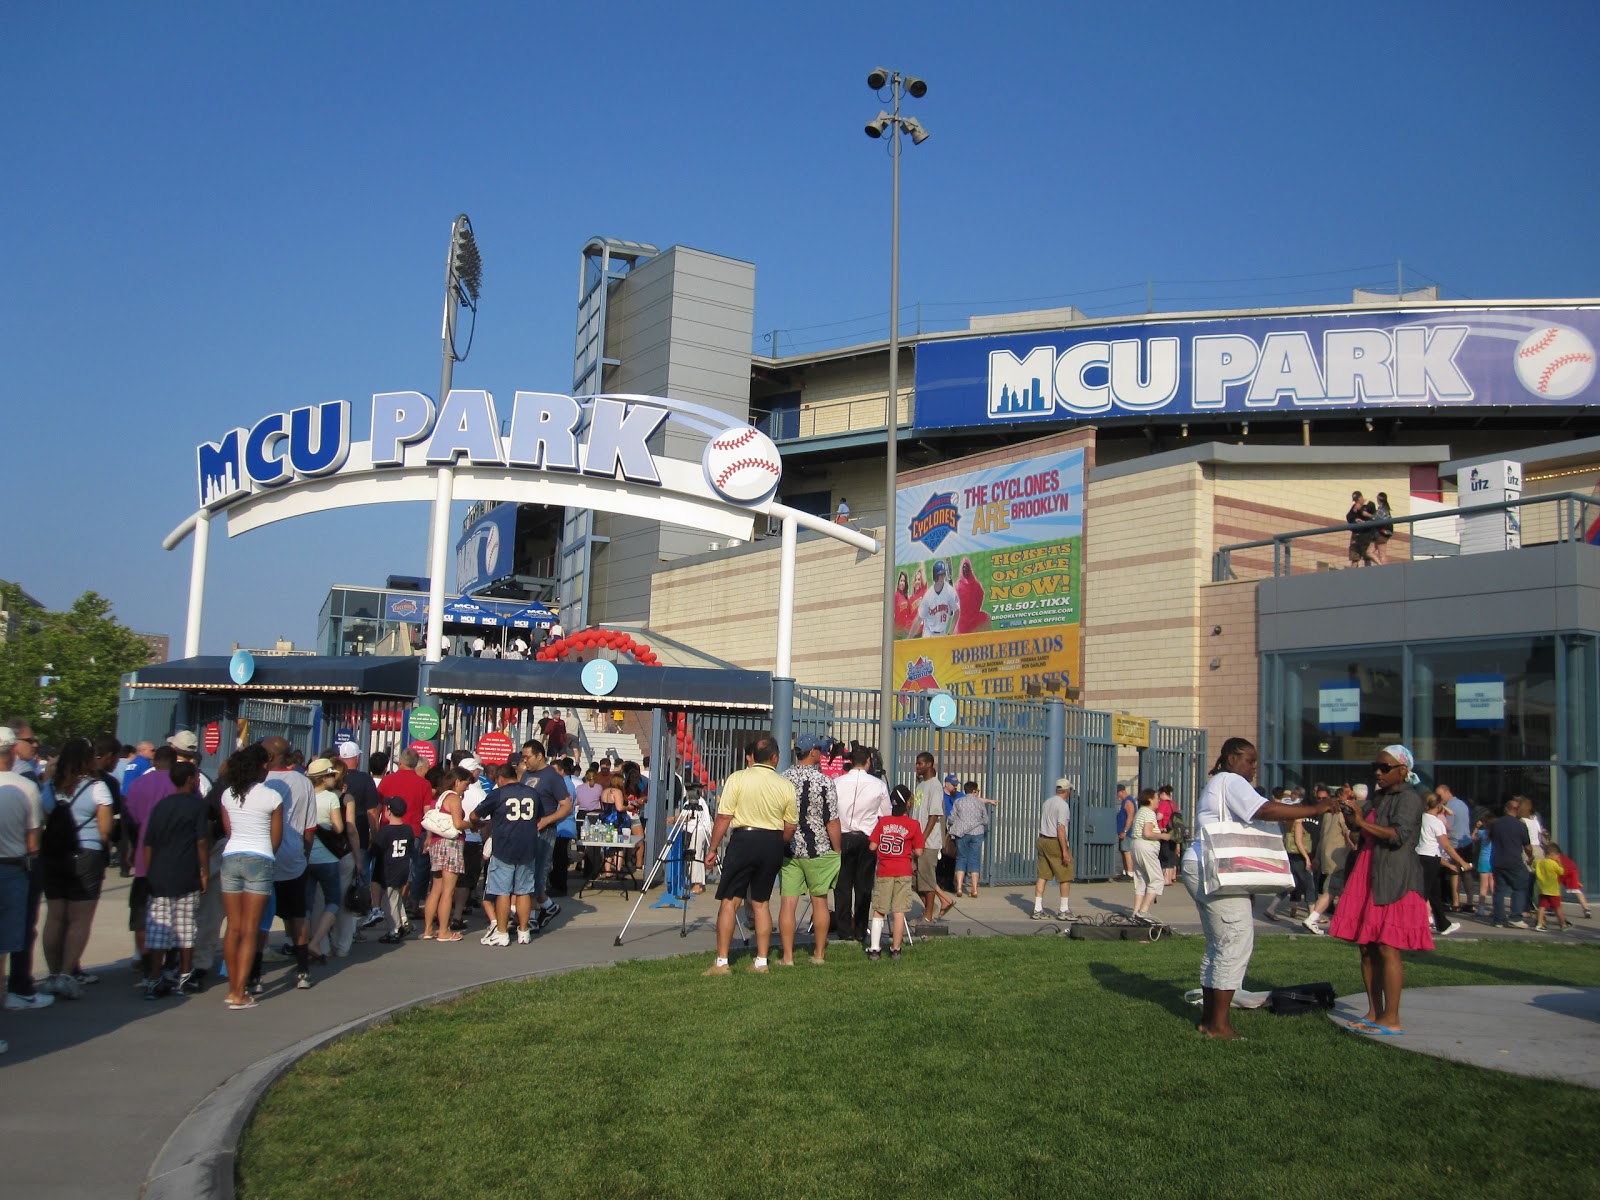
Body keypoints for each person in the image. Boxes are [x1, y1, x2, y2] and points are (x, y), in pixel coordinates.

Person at [1181, 737, 1335, 1039]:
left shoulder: (1218, 783)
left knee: (1219, 945)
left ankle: (1209, 1019)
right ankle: (1219, 1026)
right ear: (1229, 759)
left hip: (1201, 864)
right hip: (1213, 868)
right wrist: (1315, 809)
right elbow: (1263, 810)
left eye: (1255, 762)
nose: (1254, 768)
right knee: (1235, 942)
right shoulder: (1231, 780)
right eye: (1249, 761)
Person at [1328, 746, 1434, 1037]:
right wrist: (1353, 815)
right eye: (1376, 766)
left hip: (1395, 877)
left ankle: (1392, 1017)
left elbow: (1399, 835)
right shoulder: (1380, 797)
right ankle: (1374, 1011)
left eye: (1385, 767)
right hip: (1368, 872)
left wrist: (1362, 823)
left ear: (1403, 769)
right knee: (1367, 947)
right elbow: (1359, 830)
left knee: (1387, 946)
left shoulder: (1410, 798)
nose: (1378, 771)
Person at [702, 736, 798, 975]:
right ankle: (761, 961)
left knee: (730, 900)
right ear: (775, 758)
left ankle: (722, 962)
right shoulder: (785, 785)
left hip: (744, 838)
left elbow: (724, 817)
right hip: (772, 840)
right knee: (761, 902)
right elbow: (790, 825)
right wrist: (779, 842)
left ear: (753, 755)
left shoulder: (738, 778)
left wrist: (712, 849)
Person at [38, 738, 115, 998]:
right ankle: (67, 974)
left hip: (54, 854)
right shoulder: (97, 787)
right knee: (80, 919)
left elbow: (45, 819)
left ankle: (51, 972)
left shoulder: (49, 786)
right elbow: (105, 830)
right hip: (86, 853)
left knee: (55, 917)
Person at [218, 745, 282, 1010]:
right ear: (259, 767)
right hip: (260, 858)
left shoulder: (227, 795)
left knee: (233, 927)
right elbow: (276, 838)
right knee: (250, 930)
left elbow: (229, 829)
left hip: (231, 857)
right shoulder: (272, 796)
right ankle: (240, 993)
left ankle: (233, 987)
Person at [139, 762, 209, 998]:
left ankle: (154, 976)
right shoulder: (197, 806)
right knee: (186, 925)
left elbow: (148, 842)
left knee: (159, 929)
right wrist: (204, 871)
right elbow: (201, 842)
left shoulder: (161, 806)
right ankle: (184, 975)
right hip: (186, 871)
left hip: (159, 873)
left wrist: (150, 871)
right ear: (190, 779)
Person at [778, 734, 841, 967]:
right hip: (819, 849)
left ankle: (787, 957)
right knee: (820, 901)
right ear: (813, 752)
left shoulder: (784, 778)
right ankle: (819, 954)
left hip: (790, 850)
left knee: (788, 903)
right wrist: (838, 849)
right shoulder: (825, 782)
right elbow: (832, 820)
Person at [0, 726, 50, 1016]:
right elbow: (33, 842)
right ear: (13, 750)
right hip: (12, 867)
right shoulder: (25, 786)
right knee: (6, 946)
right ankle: (15, 993)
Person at [262, 737, 318, 990]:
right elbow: (309, 826)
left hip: (264, 855)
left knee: (260, 917)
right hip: (294, 855)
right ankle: (303, 970)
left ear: (272, 756)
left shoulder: (262, 781)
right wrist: (305, 853)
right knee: (298, 914)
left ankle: (254, 974)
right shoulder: (303, 782)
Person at [474, 763, 545, 946]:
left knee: (502, 891)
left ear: (500, 779)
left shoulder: (498, 793)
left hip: (504, 847)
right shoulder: (532, 793)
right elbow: (538, 817)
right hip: (527, 847)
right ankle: (523, 931)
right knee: (523, 892)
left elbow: (476, 815)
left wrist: (477, 824)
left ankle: (502, 932)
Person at [832, 745, 890, 941]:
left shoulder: (837, 782)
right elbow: (886, 814)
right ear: (868, 762)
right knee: (863, 885)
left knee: (843, 885)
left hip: (843, 835)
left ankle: (844, 928)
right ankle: (860, 929)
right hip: (867, 837)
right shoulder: (878, 785)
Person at [302, 758, 353, 962]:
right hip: (328, 858)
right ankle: (317, 942)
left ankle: (305, 942)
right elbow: (339, 828)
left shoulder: (305, 797)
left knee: (309, 904)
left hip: (306, 857)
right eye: (331, 775)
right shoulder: (331, 798)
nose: (334, 778)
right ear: (323, 778)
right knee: (332, 902)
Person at [867, 786, 923, 961]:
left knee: (879, 910)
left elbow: (872, 846)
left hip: (884, 871)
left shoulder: (883, 822)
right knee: (899, 911)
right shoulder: (914, 825)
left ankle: (875, 948)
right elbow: (920, 851)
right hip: (904, 871)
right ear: (908, 804)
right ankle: (896, 948)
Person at [378, 747, 433, 916]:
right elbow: (428, 812)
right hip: (413, 832)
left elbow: (376, 807)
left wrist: (374, 829)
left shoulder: (387, 781)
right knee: (407, 872)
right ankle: (399, 907)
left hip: (387, 830)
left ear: (400, 762)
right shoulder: (424, 784)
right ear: (416, 764)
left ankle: (385, 906)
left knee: (384, 870)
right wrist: (429, 836)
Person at [421, 767, 468, 941]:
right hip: (451, 844)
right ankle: (443, 930)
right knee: (448, 891)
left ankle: (428, 929)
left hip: (436, 843)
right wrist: (472, 825)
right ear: (457, 782)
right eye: (465, 783)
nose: (466, 787)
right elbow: (457, 824)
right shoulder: (454, 798)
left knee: (436, 889)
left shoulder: (438, 798)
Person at [1302, 785, 1355, 935]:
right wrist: (1356, 847)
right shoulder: (1342, 814)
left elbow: (1322, 837)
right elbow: (1348, 833)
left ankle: (1340, 920)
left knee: (1336, 890)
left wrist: (1318, 856)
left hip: (1327, 855)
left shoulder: (1327, 814)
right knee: (1332, 890)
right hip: (1339, 857)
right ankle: (1313, 918)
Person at [909, 754, 955, 922]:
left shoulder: (935, 786)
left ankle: (927, 917)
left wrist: (922, 838)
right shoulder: (921, 786)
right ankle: (937, 904)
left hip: (928, 842)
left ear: (929, 764)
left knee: (927, 879)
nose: (917, 766)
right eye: (916, 762)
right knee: (913, 881)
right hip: (917, 840)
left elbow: (934, 815)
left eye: (920, 763)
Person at [1417, 791, 1468, 937]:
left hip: (1420, 856)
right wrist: (1462, 862)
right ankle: (1417, 923)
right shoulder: (1436, 822)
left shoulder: (1420, 819)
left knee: (1434, 893)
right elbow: (1446, 846)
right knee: (1424, 893)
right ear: (1438, 805)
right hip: (1430, 858)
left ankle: (1443, 924)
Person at [372, 799, 416, 944]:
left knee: (388, 902)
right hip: (403, 867)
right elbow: (411, 849)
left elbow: (377, 850)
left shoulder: (385, 831)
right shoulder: (408, 829)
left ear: (388, 811)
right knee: (396, 896)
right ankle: (404, 921)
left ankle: (394, 930)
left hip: (389, 868)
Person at [1033, 777, 1075, 921]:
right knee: (1065, 875)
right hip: (1054, 841)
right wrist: (1065, 851)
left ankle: (1037, 908)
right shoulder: (1063, 806)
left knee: (1043, 875)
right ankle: (1064, 909)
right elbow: (1061, 828)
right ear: (1067, 790)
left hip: (1042, 839)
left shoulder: (1047, 802)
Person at [1128, 788, 1171, 923]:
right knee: (1157, 879)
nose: (1158, 800)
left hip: (1135, 845)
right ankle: (1143, 911)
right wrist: (1163, 836)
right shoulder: (1149, 813)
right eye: (1156, 798)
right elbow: (1147, 833)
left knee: (1141, 880)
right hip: (1146, 847)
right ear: (1150, 799)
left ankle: (1135, 912)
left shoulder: (1140, 812)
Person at [1489, 797, 1534, 928]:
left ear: (1506, 809)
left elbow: (1491, 838)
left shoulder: (1496, 824)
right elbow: (1527, 846)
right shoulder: (1520, 825)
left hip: (1497, 860)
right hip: (1514, 860)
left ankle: (1498, 919)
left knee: (1500, 890)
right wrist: (1530, 857)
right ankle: (1515, 916)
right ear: (1516, 810)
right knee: (1520, 886)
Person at [948, 780, 996, 898]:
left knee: (961, 858)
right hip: (977, 833)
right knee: (975, 860)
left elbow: (951, 819)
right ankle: (974, 889)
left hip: (961, 834)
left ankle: (959, 887)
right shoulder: (979, 803)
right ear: (974, 791)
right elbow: (986, 820)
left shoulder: (959, 802)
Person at [909, 559, 959, 637]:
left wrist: (950, 632)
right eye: (940, 574)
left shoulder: (950, 591)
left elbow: (956, 611)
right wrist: (909, 638)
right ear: (935, 576)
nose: (942, 576)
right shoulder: (929, 595)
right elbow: (919, 619)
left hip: (942, 634)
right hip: (928, 634)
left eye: (943, 574)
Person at [1533, 845, 1570, 932]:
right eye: (1557, 855)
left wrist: (1530, 860)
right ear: (1552, 855)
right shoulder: (1553, 864)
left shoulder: (1539, 862)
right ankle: (1563, 923)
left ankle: (1539, 924)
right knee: (1557, 908)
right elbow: (1562, 872)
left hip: (1542, 890)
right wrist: (1559, 862)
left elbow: (1532, 863)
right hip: (1553, 891)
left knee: (1542, 907)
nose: (1558, 857)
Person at [1554, 843, 1593, 918]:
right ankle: (1586, 909)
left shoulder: (1556, 859)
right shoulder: (1564, 858)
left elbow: (1561, 869)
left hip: (1564, 872)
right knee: (1577, 891)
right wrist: (1575, 881)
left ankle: (1555, 907)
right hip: (1572, 871)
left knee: (1555, 890)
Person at [1346, 491, 1377, 567]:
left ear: (1361, 498)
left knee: (1367, 558)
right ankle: (1353, 576)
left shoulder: (1369, 504)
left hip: (1366, 535)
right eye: (1355, 500)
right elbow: (1349, 517)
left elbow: (1374, 517)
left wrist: (1362, 514)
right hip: (1356, 535)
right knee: (1354, 558)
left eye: (1357, 500)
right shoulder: (1354, 507)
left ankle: (1368, 575)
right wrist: (1355, 518)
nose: (1356, 502)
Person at [1114, 782, 1135, 881]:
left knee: (1127, 851)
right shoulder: (1124, 801)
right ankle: (1125, 871)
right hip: (1122, 831)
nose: (1117, 796)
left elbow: (1130, 817)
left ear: (1122, 791)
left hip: (1127, 832)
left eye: (1118, 793)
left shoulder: (1128, 801)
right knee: (1123, 851)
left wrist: (1125, 830)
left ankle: (1130, 873)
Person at [1370, 491, 1394, 564]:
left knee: (1382, 555)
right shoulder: (1385, 509)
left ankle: (1384, 570)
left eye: (1377, 498)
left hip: (1381, 534)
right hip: (1382, 534)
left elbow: (1374, 518)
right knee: (1369, 552)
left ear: (1379, 499)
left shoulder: (1382, 509)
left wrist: (1366, 514)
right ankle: (1380, 565)